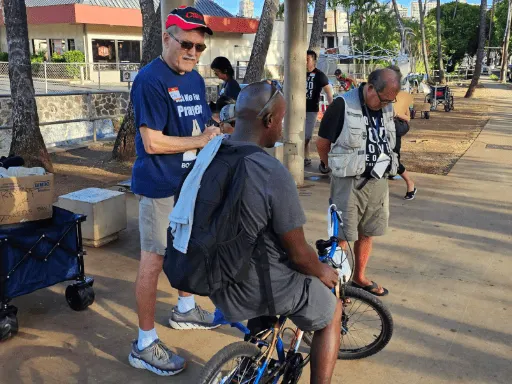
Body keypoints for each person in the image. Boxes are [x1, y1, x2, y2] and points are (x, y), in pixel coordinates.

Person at [210, 81, 343, 383]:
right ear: (269, 120)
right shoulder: (271, 172)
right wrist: (321, 269)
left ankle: (254, 356)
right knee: (330, 313)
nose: (282, 127)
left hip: (218, 280)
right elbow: (299, 255)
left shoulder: (210, 155)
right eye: (282, 120)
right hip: (259, 285)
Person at [128, 6, 221, 376]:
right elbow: (151, 142)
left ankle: (185, 309)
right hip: (159, 186)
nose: (194, 53)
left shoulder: (195, 79)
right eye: (187, 44)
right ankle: (144, 343)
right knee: (153, 259)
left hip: (189, 184)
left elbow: (201, 122)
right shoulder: (150, 80)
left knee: (188, 247)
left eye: (200, 48)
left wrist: (216, 129)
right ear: (166, 37)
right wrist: (200, 139)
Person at [316, 68, 402, 297]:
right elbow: (322, 143)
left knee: (368, 232)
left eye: (390, 101)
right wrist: (333, 170)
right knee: (342, 237)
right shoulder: (342, 105)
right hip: (349, 183)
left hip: (378, 180)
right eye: (383, 100)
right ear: (371, 88)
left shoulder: (386, 104)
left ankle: (358, 278)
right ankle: (334, 287)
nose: (386, 105)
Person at [305, 50, 333, 167]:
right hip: (296, 110)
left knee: (307, 136)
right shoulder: (297, 73)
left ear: (314, 61)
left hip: (311, 110)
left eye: (307, 60)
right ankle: (305, 157)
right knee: (297, 136)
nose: (305, 62)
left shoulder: (320, 75)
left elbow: (328, 92)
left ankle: (305, 156)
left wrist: (332, 108)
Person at [392, 90, 417, 200]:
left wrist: (396, 113)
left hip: (394, 131)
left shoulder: (402, 99)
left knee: (394, 161)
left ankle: (410, 183)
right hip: (379, 131)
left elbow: (408, 118)